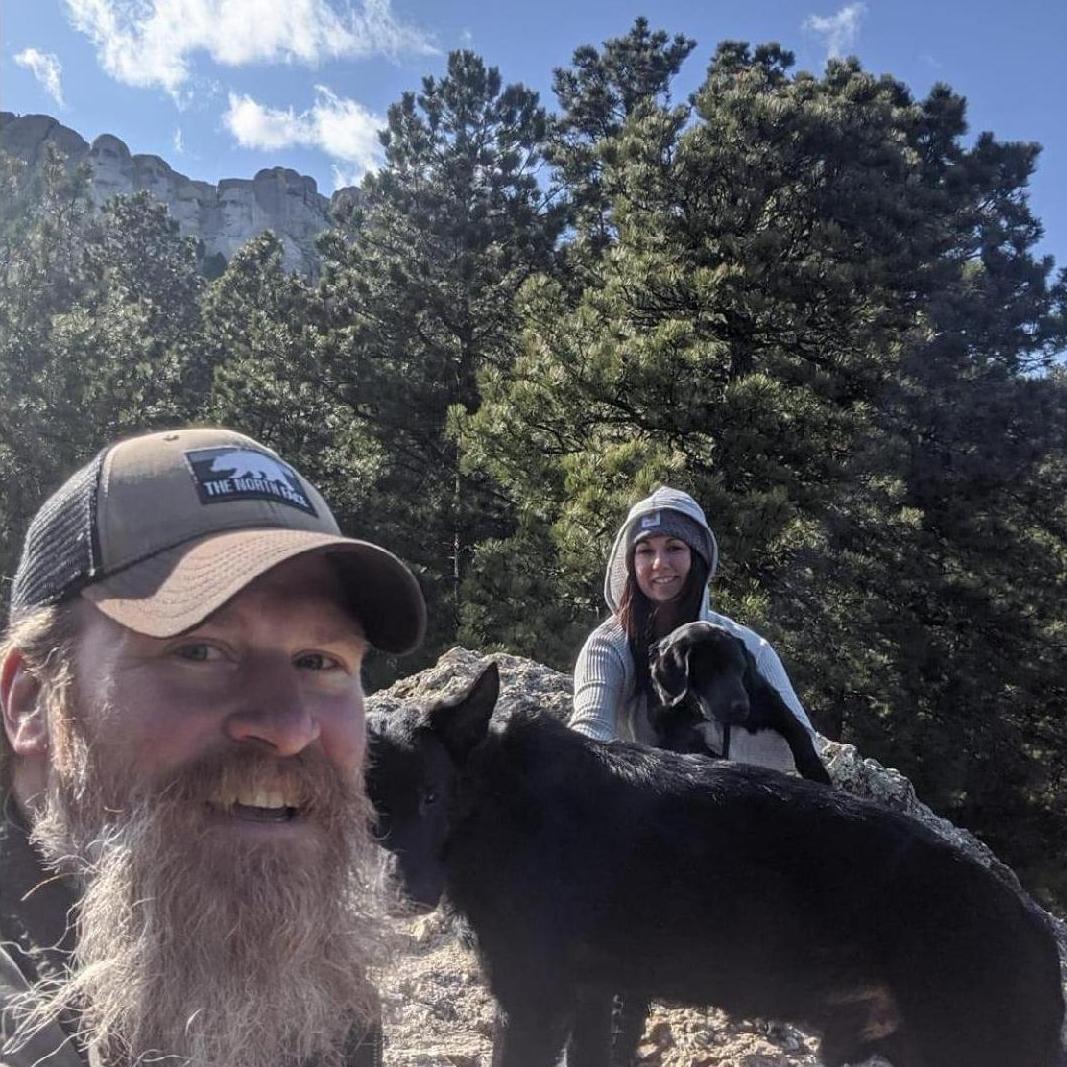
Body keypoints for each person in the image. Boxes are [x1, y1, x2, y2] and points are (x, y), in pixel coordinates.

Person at [0, 426, 427, 1067]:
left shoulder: (318, 993)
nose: (288, 727)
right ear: (32, 701)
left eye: (318, 661)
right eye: (198, 651)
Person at [571, 485, 816, 771]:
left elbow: (801, 745)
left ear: (697, 558)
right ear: (632, 564)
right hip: (640, 791)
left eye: (674, 548)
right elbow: (589, 730)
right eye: (645, 551)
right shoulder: (608, 646)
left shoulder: (747, 646)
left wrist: (702, 737)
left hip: (735, 791)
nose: (660, 563)